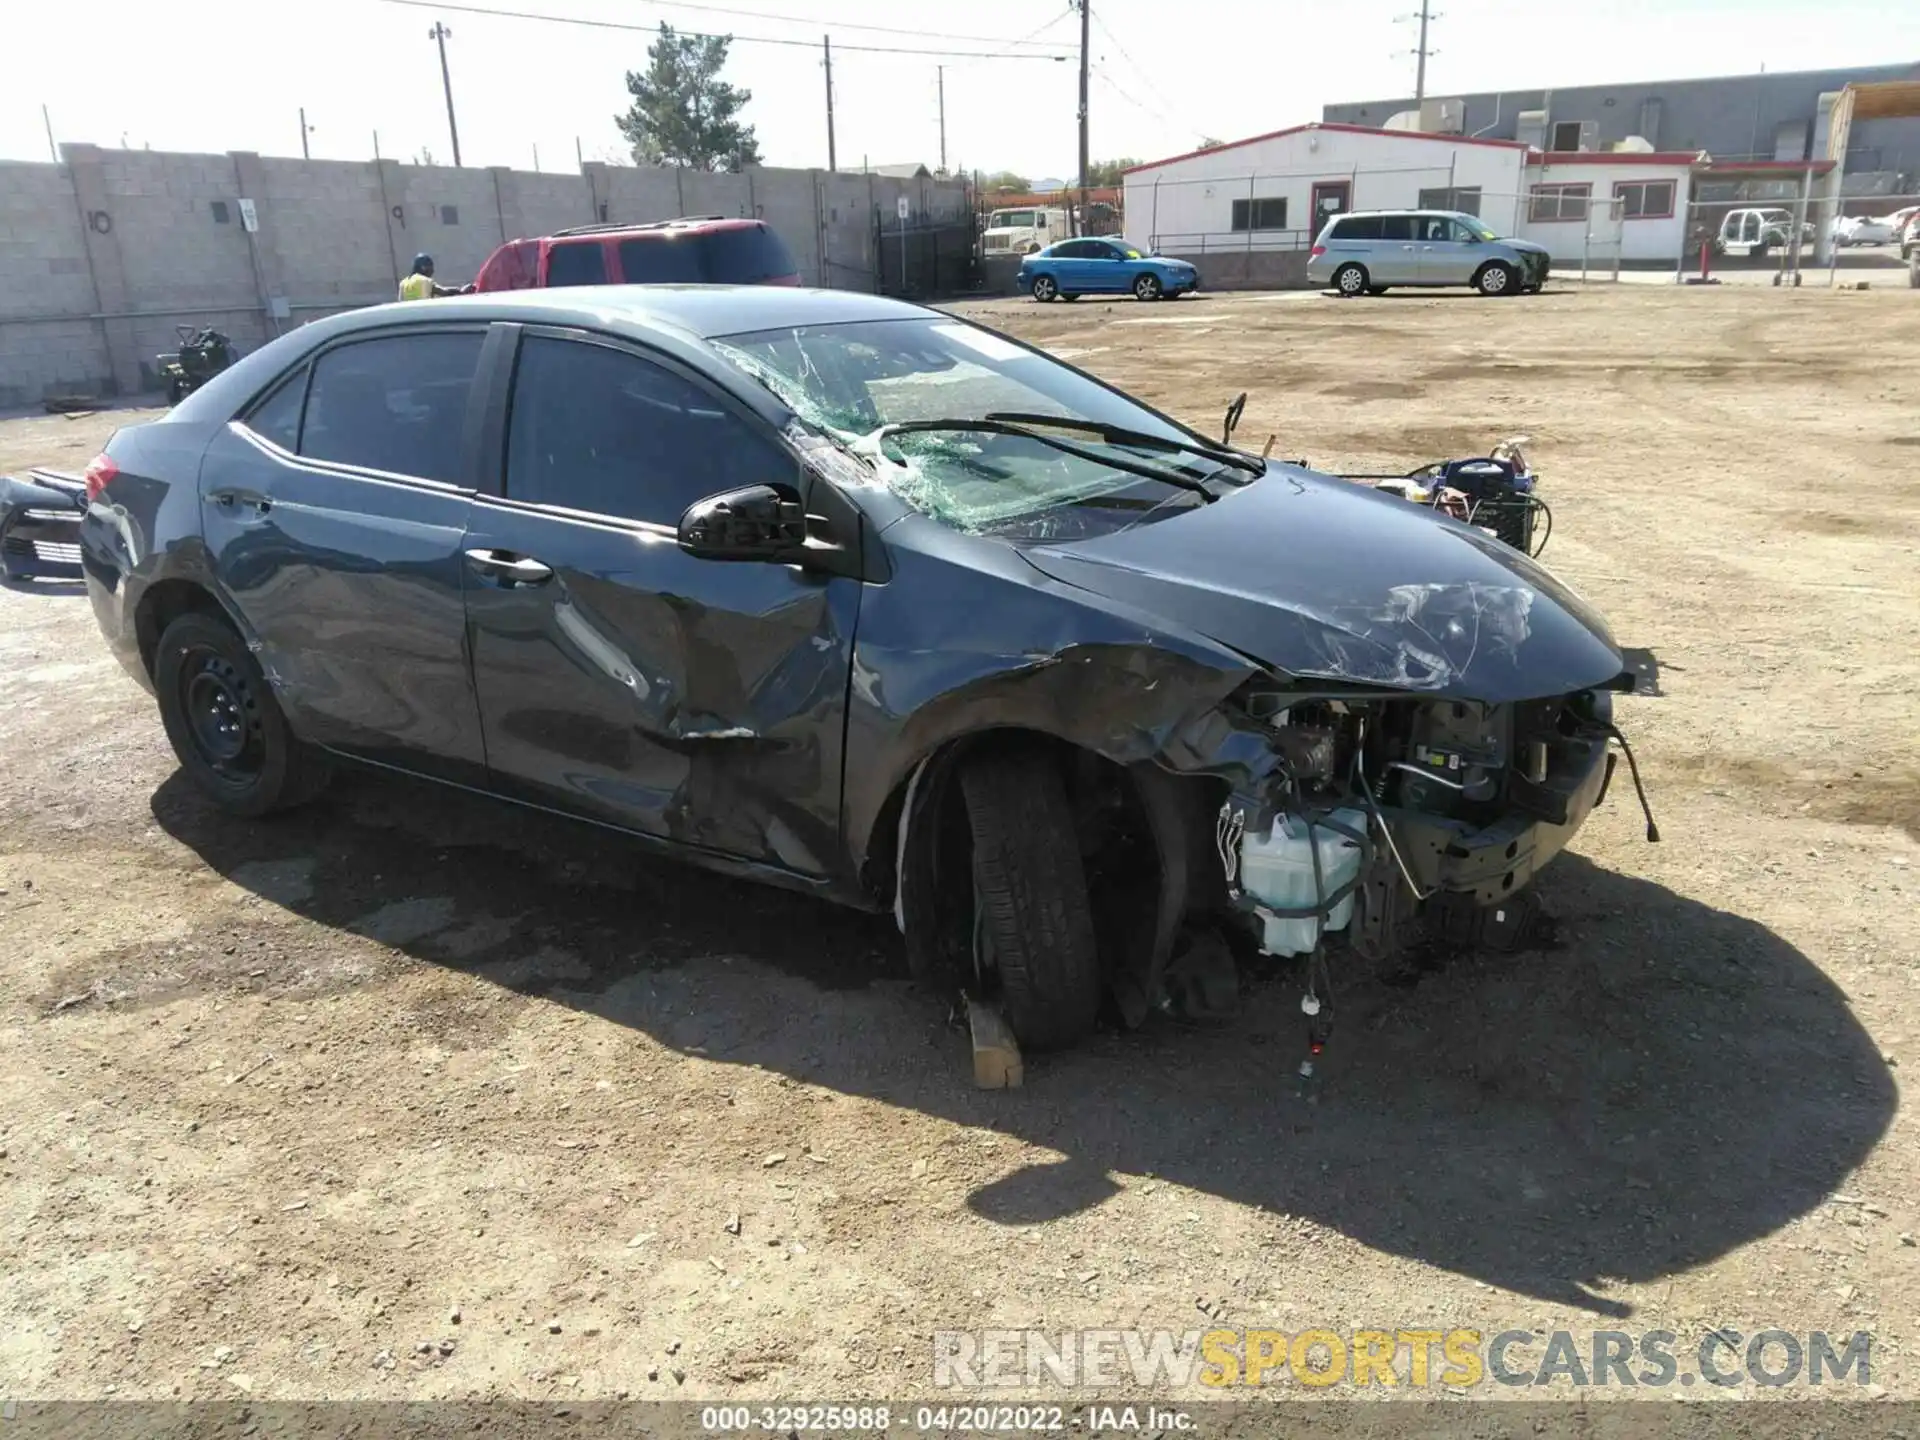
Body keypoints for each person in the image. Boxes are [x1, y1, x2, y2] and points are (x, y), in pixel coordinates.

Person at [398, 254, 471, 301]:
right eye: (431, 267)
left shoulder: (403, 283)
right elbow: (444, 292)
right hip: (423, 317)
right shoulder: (424, 281)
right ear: (423, 267)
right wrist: (461, 290)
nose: (433, 271)